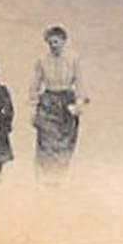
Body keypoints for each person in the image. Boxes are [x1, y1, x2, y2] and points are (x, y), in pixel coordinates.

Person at [31, 25, 88, 179]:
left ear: (64, 41)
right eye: (50, 42)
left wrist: (79, 103)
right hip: (48, 101)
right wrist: (33, 108)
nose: (53, 46)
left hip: (67, 101)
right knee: (46, 140)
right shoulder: (41, 60)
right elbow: (35, 84)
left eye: (56, 42)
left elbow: (80, 83)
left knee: (66, 141)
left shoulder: (73, 59)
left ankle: (60, 175)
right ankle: (46, 176)